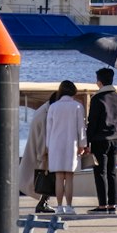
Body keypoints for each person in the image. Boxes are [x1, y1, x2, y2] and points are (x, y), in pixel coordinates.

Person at [86, 65, 117, 212]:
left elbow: (93, 123)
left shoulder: (97, 99)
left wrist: (86, 141)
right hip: (116, 139)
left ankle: (102, 204)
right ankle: (113, 203)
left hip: (100, 139)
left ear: (99, 81)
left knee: (100, 172)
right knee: (112, 172)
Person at [45, 79, 87, 216]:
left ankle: (58, 206)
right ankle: (69, 206)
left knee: (58, 177)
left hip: (55, 144)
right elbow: (81, 128)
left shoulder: (53, 107)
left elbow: (49, 129)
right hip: (72, 144)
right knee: (69, 177)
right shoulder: (77, 106)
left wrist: (48, 146)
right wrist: (83, 145)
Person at [20, 95, 55, 213]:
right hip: (41, 152)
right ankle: (43, 202)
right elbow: (43, 137)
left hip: (35, 149)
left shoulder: (42, 110)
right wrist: (44, 153)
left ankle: (43, 202)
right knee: (45, 178)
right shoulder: (45, 115)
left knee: (38, 178)